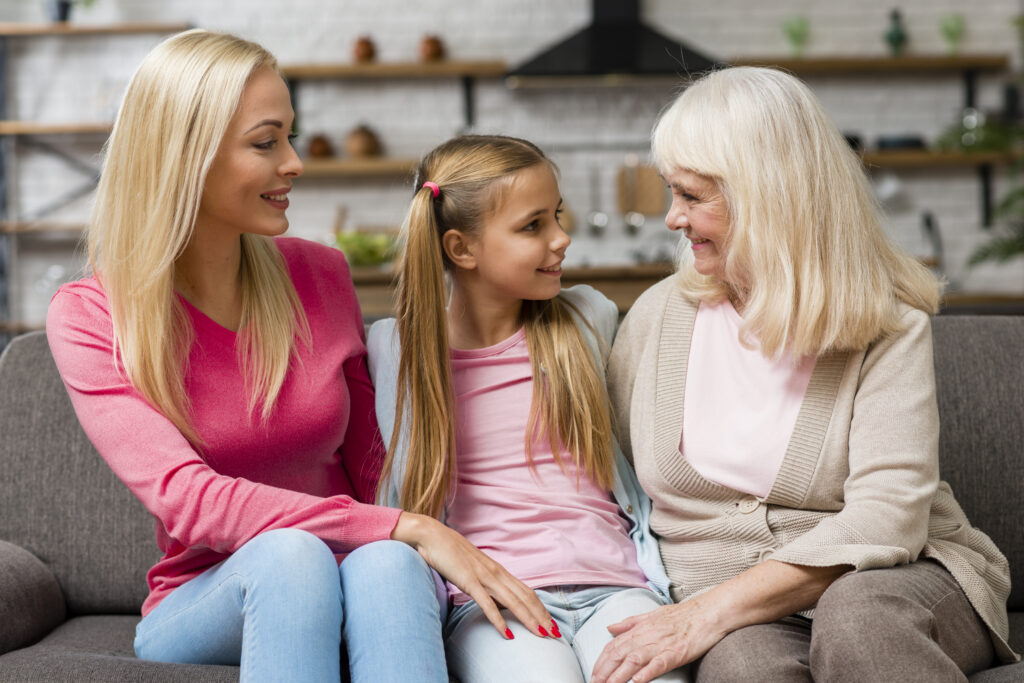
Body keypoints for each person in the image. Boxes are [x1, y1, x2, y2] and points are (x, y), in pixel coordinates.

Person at [45, 30, 550, 682]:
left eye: (290, 135)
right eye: (265, 141)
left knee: (391, 561)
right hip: (207, 595)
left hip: (357, 572)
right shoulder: (92, 314)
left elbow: (372, 463)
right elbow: (189, 501)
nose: (294, 162)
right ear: (184, 156)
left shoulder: (321, 274)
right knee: (294, 555)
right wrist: (407, 526)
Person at [591, 66, 1017, 683]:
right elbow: (605, 484)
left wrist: (708, 612)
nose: (672, 220)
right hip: (746, 616)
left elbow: (889, 516)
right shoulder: (658, 318)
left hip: (893, 579)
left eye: (692, 195)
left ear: (765, 196)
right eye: (671, 192)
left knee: (859, 619)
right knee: (743, 667)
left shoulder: (885, 324)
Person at [367, 134, 687, 683]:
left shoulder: (588, 320)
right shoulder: (396, 349)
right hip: (494, 601)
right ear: (460, 249)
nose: (563, 238)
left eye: (558, 216)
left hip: (619, 587)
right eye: (533, 225)